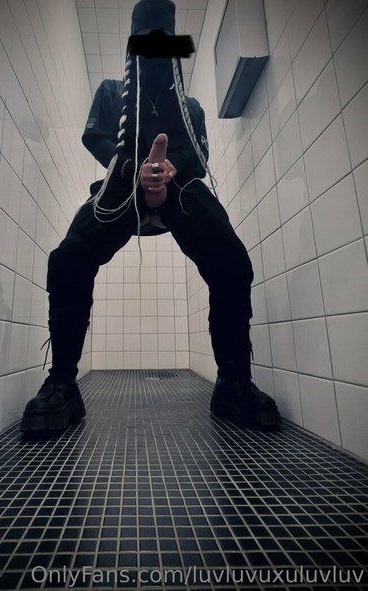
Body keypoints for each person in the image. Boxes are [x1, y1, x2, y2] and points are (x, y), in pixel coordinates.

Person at [21, 0, 280, 433]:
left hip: (179, 187)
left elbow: (199, 156)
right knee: (67, 259)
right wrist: (134, 170)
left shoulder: (191, 108)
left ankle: (233, 384)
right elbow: (94, 137)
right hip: (124, 181)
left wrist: (168, 170)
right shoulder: (111, 92)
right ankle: (62, 383)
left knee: (233, 261)